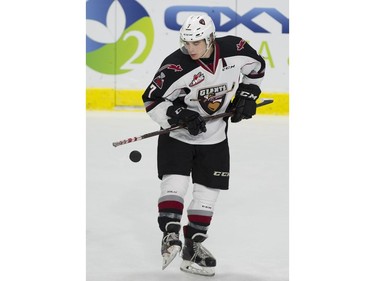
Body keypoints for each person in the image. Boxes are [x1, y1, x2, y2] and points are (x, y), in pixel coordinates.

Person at [142, 14, 266, 276]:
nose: (191, 48)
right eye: (186, 42)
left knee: (207, 195)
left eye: (196, 42)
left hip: (215, 137)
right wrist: (178, 115)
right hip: (177, 137)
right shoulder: (176, 65)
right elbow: (152, 100)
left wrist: (247, 95)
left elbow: (257, 69)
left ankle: (192, 247)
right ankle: (170, 235)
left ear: (210, 38)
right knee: (175, 184)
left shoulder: (235, 50)